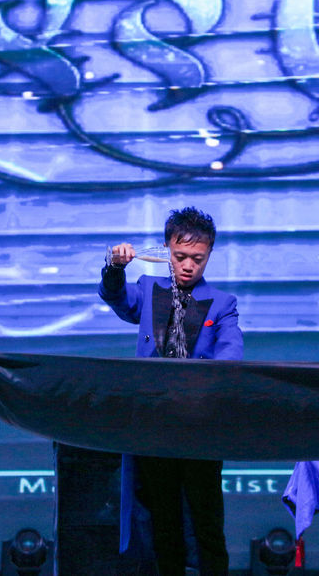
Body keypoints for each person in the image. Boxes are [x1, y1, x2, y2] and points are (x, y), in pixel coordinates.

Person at [100, 206, 243, 576]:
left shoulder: (223, 304)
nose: (188, 266)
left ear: (209, 254)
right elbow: (117, 298)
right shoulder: (150, 290)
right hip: (156, 426)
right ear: (167, 250)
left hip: (200, 427)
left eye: (198, 258)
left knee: (207, 522)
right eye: (180, 257)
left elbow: (231, 356)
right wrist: (115, 267)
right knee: (163, 522)